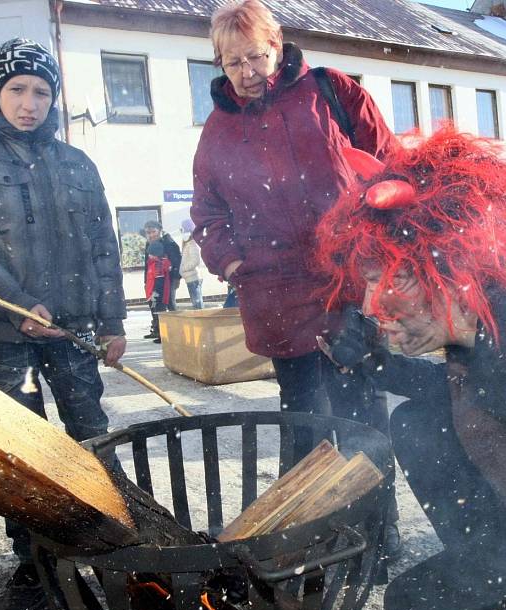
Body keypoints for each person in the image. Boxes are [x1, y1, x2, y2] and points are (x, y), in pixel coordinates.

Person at [315, 126, 506, 610]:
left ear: (458, 262)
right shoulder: (500, 310)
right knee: (415, 600)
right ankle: (500, 570)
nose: (374, 305)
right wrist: (375, 362)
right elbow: (480, 386)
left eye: (391, 279)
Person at [0, 38, 127, 610]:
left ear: (54, 98)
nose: (29, 103)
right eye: (17, 89)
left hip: (77, 331)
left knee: (91, 434)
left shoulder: (76, 163)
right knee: (20, 448)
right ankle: (34, 557)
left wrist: (113, 321)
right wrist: (15, 304)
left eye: (41, 91)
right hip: (5, 333)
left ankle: (109, 536)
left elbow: (103, 246)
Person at [190, 0, 400, 551]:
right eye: (232, 62)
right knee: (305, 422)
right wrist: (233, 262)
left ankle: (378, 528)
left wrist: (381, 251)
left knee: (363, 414)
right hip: (277, 294)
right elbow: (207, 211)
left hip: (348, 281)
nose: (247, 72)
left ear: (278, 47)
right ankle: (311, 534)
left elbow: (391, 170)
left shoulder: (333, 91)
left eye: (256, 56)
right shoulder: (217, 130)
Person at [142, 219, 181, 342]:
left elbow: (177, 261)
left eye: (153, 231)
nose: (151, 235)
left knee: (168, 304)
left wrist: (175, 278)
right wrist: (146, 281)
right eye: (148, 232)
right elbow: (147, 265)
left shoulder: (168, 243)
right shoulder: (149, 244)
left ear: (159, 231)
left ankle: (175, 331)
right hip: (154, 280)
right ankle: (157, 330)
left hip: (168, 280)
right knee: (154, 304)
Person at [179, 218, 204, 309]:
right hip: (190, 277)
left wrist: (183, 268)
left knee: (197, 303)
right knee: (195, 303)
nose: (181, 232)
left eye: (182, 230)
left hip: (193, 277)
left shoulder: (192, 244)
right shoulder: (187, 244)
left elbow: (195, 261)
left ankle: (201, 321)